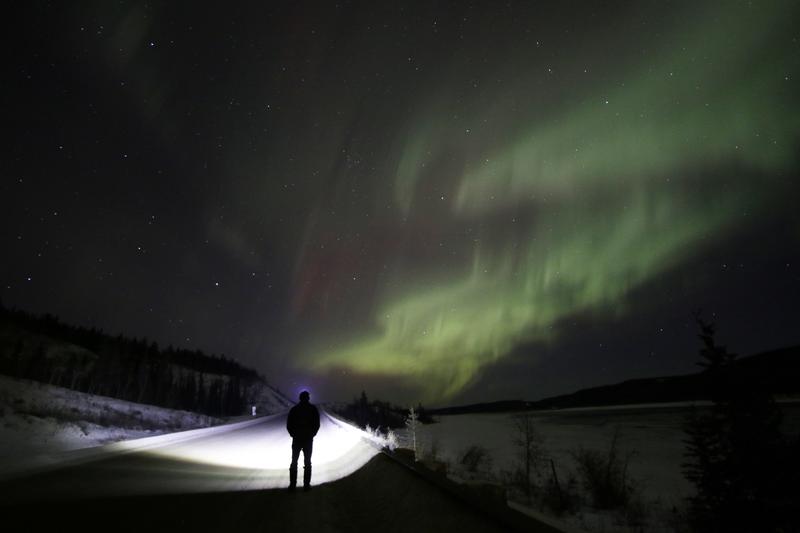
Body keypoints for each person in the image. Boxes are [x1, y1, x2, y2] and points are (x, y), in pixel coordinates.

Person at [286, 390, 320, 492]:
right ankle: (306, 485)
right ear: (308, 398)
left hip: (297, 439)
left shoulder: (294, 409)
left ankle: (292, 486)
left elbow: (289, 424)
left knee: (294, 462)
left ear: (300, 398)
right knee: (308, 463)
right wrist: (312, 434)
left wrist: (293, 434)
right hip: (308, 440)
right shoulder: (313, 409)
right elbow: (317, 424)